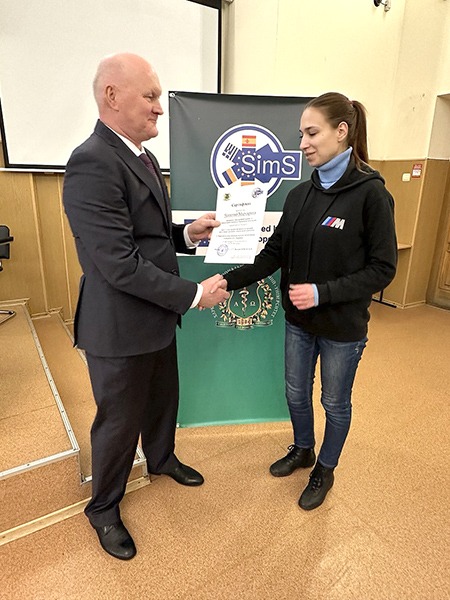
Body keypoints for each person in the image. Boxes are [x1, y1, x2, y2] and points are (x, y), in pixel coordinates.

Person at [63, 53, 229, 560]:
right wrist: (194, 295)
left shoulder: (142, 157)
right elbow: (118, 263)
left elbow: (146, 236)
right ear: (112, 96)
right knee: (118, 421)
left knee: (161, 398)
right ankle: (103, 508)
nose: (160, 108)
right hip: (118, 326)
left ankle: (162, 458)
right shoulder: (92, 161)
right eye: (151, 96)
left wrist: (186, 233)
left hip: (154, 317)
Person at [223, 92, 397, 511]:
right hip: (298, 323)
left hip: (342, 329)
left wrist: (322, 292)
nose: (302, 144)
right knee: (295, 393)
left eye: (312, 133)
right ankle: (303, 449)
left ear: (342, 132)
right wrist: (226, 282)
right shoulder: (299, 195)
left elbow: (383, 268)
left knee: (334, 402)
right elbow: (272, 255)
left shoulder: (372, 195)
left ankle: (325, 468)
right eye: (301, 134)